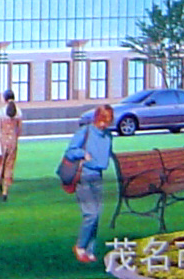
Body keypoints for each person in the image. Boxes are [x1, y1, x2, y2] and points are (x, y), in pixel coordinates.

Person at [63, 102, 116, 264]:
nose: (104, 124)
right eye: (102, 120)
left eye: (107, 121)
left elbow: (107, 153)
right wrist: (82, 154)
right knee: (90, 214)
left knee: (97, 215)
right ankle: (80, 246)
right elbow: (70, 151)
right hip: (84, 175)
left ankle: (90, 250)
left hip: (98, 176)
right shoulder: (85, 132)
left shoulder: (108, 136)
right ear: (97, 118)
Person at [0, 89, 23, 201]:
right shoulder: (18, 112)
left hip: (1, 141)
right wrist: (15, 139)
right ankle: (5, 191)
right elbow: (19, 129)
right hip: (12, 142)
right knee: (9, 166)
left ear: (5, 98)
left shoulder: (1, 111)